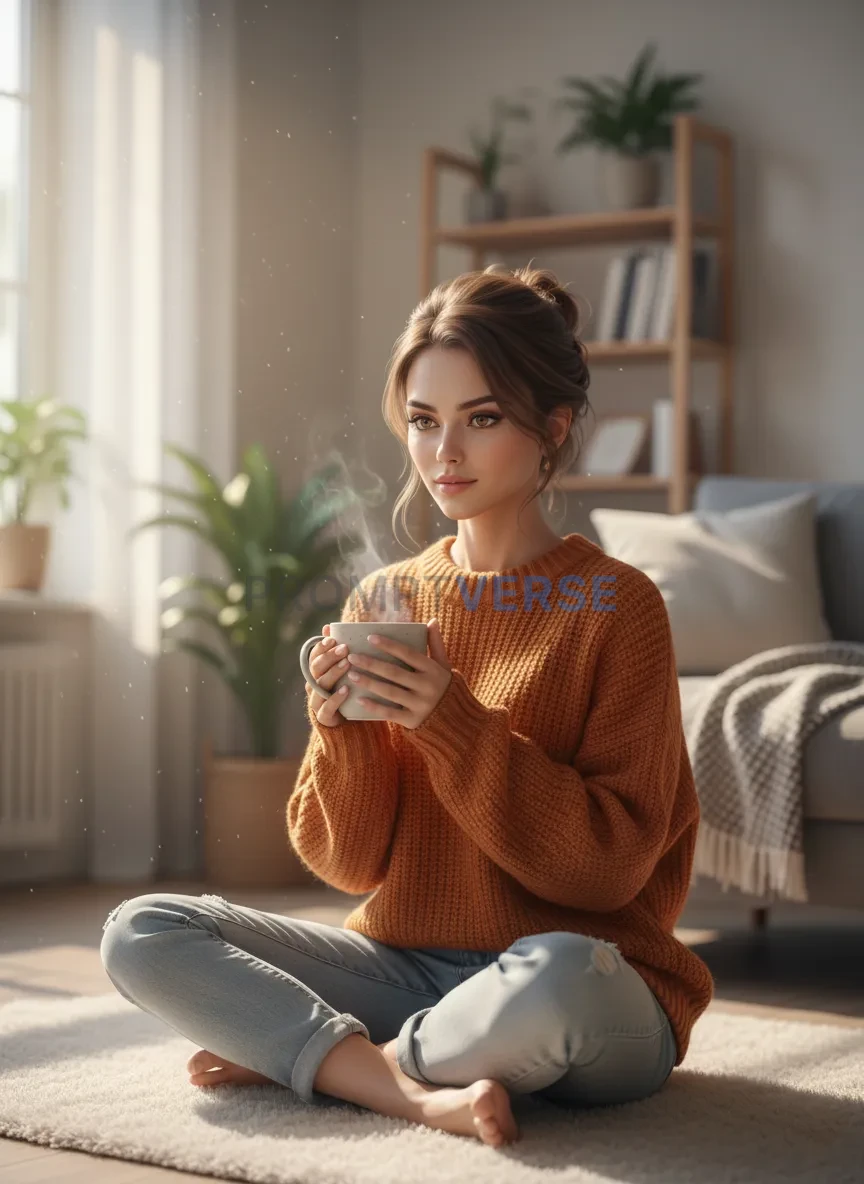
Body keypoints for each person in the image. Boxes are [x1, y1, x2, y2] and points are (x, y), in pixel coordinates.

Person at [100, 265, 714, 1148]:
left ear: (555, 427)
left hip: (580, 986)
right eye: (425, 423)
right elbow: (348, 864)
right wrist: (339, 727)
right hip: (408, 968)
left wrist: (450, 723)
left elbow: (605, 875)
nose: (443, 454)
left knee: (563, 973)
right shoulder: (388, 599)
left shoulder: (619, 606)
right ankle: (413, 1087)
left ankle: (326, 1059)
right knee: (143, 930)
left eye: (482, 418)